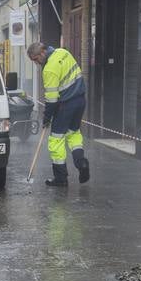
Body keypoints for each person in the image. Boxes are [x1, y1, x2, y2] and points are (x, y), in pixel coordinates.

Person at [27, 42, 89, 186]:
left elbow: (52, 100)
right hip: (80, 100)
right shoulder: (63, 52)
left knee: (56, 140)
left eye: (35, 59)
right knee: (73, 133)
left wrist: (47, 118)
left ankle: (61, 178)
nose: (36, 63)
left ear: (42, 53)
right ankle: (81, 163)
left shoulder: (49, 70)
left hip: (65, 105)